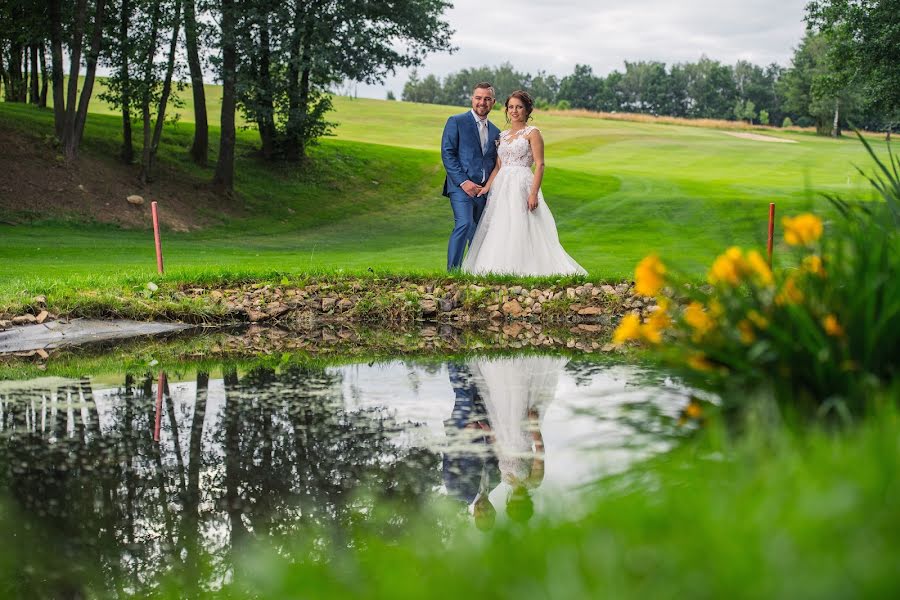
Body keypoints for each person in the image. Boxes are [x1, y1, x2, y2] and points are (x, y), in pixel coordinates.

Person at [462, 90, 587, 276]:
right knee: (500, 225)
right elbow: (498, 167)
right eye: (511, 107)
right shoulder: (503, 135)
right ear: (506, 110)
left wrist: (533, 193)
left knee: (523, 225)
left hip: (522, 184)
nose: (514, 111)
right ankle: (497, 269)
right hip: (502, 187)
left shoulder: (532, 133)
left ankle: (527, 268)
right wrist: (487, 188)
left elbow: (540, 164)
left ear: (527, 110)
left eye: (519, 107)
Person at [441, 82, 502, 271]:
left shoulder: (496, 131)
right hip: (460, 187)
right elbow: (448, 153)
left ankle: (475, 272)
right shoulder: (456, 121)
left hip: (483, 191)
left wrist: (488, 187)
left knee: (479, 233)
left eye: (486, 99)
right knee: (465, 223)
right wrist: (464, 182)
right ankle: (453, 273)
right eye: (478, 97)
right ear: (472, 98)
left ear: (493, 102)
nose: (482, 102)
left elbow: (494, 162)